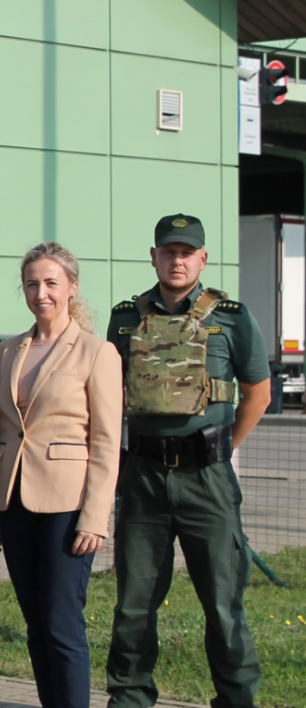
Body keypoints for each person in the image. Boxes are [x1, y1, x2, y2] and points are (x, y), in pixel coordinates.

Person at [105, 214, 272, 708]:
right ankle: (130, 698)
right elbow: (107, 396)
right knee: (134, 604)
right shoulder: (125, 320)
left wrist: (223, 449)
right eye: (168, 251)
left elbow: (257, 395)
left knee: (223, 603)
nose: (177, 260)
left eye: (187, 252)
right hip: (143, 479)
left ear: (202, 258)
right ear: (154, 257)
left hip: (208, 478)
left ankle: (237, 699)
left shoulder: (233, 318)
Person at [0, 243, 122, 708]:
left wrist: (95, 517)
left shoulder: (98, 353)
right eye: (33, 284)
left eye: (51, 283)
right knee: (35, 625)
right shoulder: (8, 351)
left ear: (71, 288)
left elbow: (105, 442)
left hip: (68, 505)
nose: (41, 293)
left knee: (62, 623)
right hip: (14, 502)